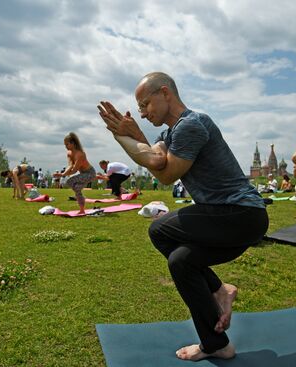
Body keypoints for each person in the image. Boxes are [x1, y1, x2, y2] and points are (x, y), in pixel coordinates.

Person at [98, 72, 268, 361]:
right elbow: (156, 157)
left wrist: (122, 136)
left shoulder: (192, 124)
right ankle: (216, 342)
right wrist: (133, 134)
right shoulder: (169, 134)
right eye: (138, 108)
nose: (142, 112)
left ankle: (218, 289)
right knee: (181, 262)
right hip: (225, 220)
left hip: (241, 214)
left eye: (145, 104)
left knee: (159, 230)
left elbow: (166, 175)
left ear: (165, 93)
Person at [53, 132, 95, 214]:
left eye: (67, 144)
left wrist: (62, 175)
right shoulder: (69, 153)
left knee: (70, 182)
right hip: (83, 174)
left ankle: (79, 199)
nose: (65, 147)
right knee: (77, 189)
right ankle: (82, 209)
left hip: (90, 173)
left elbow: (75, 170)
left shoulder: (80, 154)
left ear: (73, 143)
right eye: (65, 145)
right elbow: (70, 165)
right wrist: (63, 174)